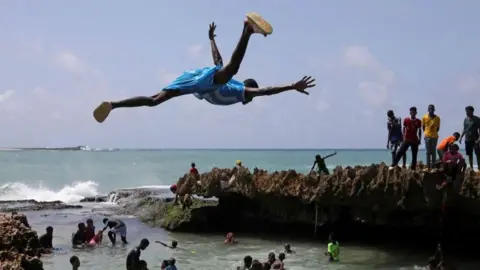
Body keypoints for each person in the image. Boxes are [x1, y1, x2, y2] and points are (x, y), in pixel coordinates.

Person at [93, 15, 316, 124]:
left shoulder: (226, 83)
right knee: (232, 69)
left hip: (193, 79)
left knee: (154, 100)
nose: (250, 100)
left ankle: (114, 104)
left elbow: (216, 60)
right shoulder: (241, 91)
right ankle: (247, 30)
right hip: (205, 82)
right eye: (250, 97)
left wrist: (210, 39)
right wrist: (291, 86)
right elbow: (265, 91)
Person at [459, 106, 480, 171]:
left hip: (475, 139)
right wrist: (461, 137)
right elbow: (464, 129)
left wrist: (479, 139)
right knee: (469, 154)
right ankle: (471, 167)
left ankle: (479, 167)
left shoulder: (477, 119)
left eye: (468, 111)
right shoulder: (465, 119)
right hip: (467, 139)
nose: (467, 112)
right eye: (466, 111)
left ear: (472, 111)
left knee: (478, 154)